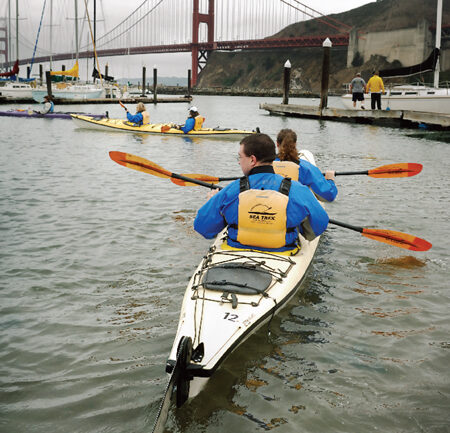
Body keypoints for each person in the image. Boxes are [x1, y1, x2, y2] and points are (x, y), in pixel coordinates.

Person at [194, 133, 329, 252]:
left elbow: (203, 228)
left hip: (236, 249)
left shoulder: (231, 190)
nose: (239, 163)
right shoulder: (298, 189)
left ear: (252, 160)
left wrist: (211, 203)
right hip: (283, 251)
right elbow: (319, 225)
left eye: (240, 157)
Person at [275, 129, 337, 202]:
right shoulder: (306, 167)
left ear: (277, 144)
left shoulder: (267, 164)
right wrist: (330, 180)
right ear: (295, 144)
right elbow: (329, 196)